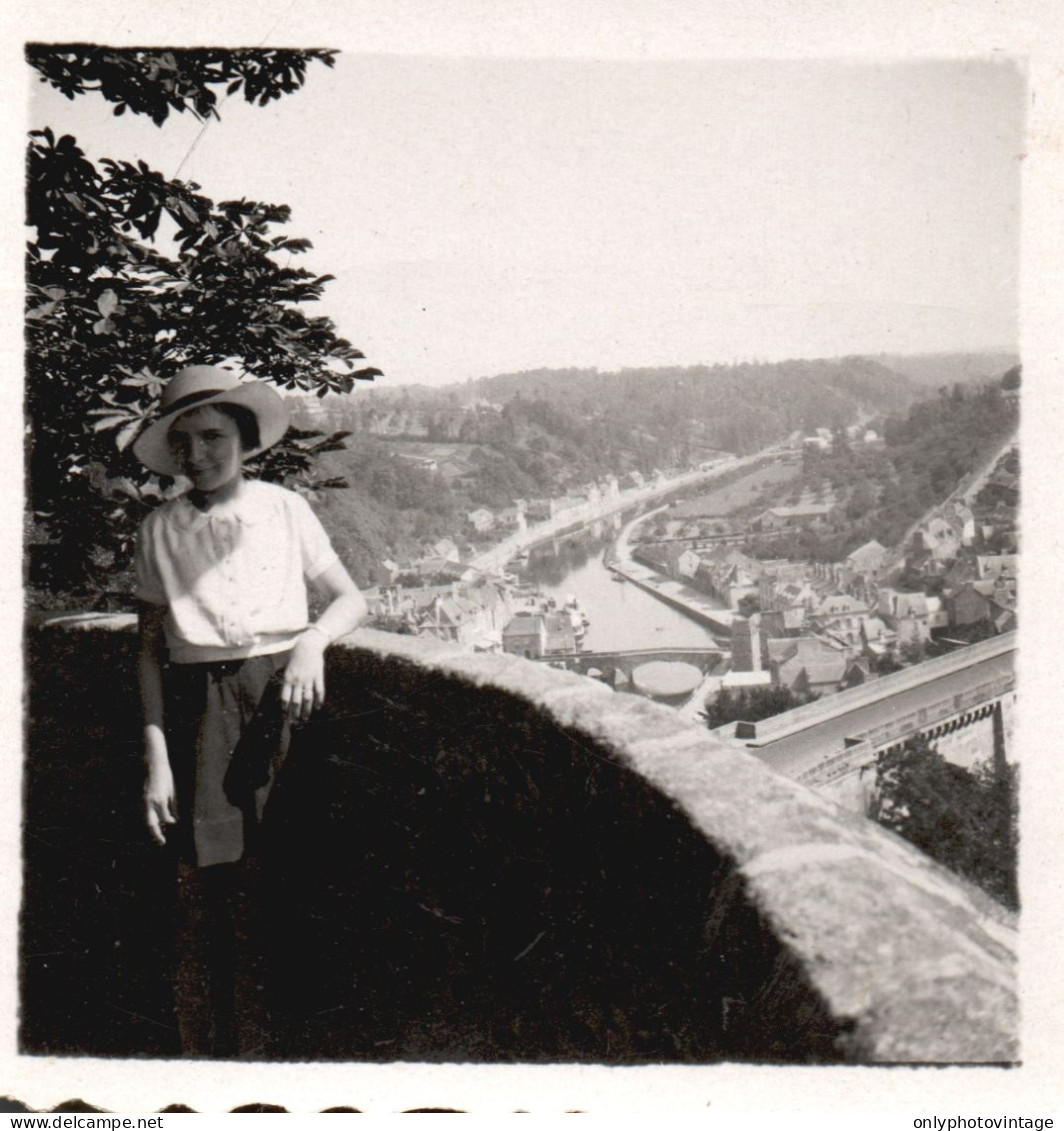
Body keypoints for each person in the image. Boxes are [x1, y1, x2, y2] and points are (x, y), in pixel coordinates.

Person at [132, 364, 366, 1057]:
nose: (199, 455)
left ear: (242, 437)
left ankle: (291, 1059)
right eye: (185, 444)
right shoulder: (159, 530)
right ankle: (216, 1059)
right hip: (198, 713)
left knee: (287, 883)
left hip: (281, 700)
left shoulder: (283, 510)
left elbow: (351, 598)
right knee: (209, 898)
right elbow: (147, 650)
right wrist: (158, 760)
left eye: (212, 437)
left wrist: (312, 643)